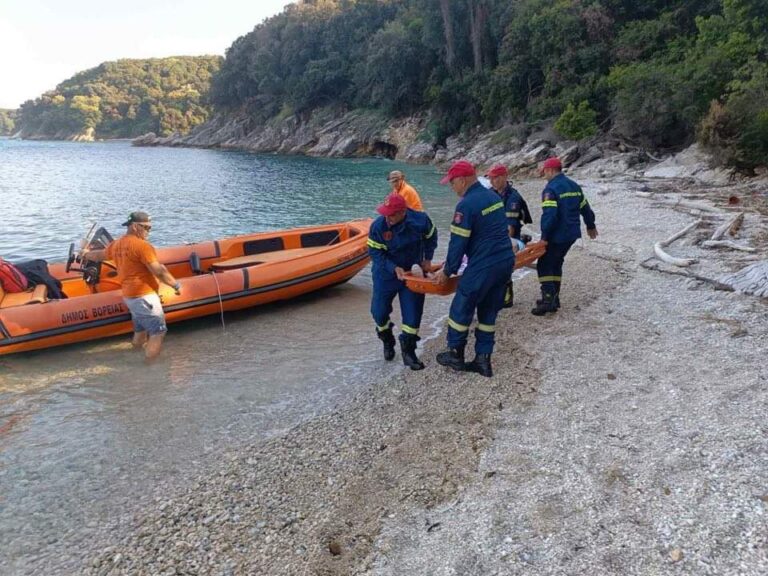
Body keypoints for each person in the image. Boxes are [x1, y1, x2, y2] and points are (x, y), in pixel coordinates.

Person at [434, 160, 514, 378]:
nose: (452, 188)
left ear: (462, 180)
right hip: (505, 261)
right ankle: (483, 361)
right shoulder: (493, 197)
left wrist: (447, 271)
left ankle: (455, 354)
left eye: (452, 183)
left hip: (484, 264)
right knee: (489, 310)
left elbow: (458, 242)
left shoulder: (465, 205)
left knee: (461, 306)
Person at [82, 211, 182, 361]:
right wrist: (176, 285)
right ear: (135, 227)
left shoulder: (117, 244)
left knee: (140, 330)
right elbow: (159, 271)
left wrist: (85, 254)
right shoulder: (142, 246)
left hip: (130, 297)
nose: (149, 231)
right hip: (144, 297)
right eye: (147, 228)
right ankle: (150, 367)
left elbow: (100, 255)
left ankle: (133, 357)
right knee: (158, 332)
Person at [367, 193, 437, 370]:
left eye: (391, 214)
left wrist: (427, 259)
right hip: (385, 274)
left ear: (403, 212)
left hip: (412, 273)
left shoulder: (420, 220)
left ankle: (409, 351)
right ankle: (387, 338)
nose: (387, 218)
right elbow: (375, 253)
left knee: (413, 314)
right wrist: (393, 268)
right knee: (378, 312)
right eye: (385, 213)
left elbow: (432, 235)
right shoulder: (378, 226)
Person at [532, 157, 598, 316]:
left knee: (544, 264)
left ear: (550, 170)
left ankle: (548, 300)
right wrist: (590, 225)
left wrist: (544, 237)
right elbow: (585, 207)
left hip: (557, 234)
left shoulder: (551, 189)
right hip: (572, 234)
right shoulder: (574, 186)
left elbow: (550, 215)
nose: (544, 176)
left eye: (545, 172)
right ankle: (554, 298)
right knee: (556, 263)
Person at [486, 164, 533, 308]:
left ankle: (506, 298)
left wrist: (503, 246)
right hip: (493, 235)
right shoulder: (491, 194)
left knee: (502, 266)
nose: (493, 181)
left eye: (496, 178)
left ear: (505, 177)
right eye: (491, 178)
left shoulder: (513, 198)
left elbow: (510, 227)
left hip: (508, 238)